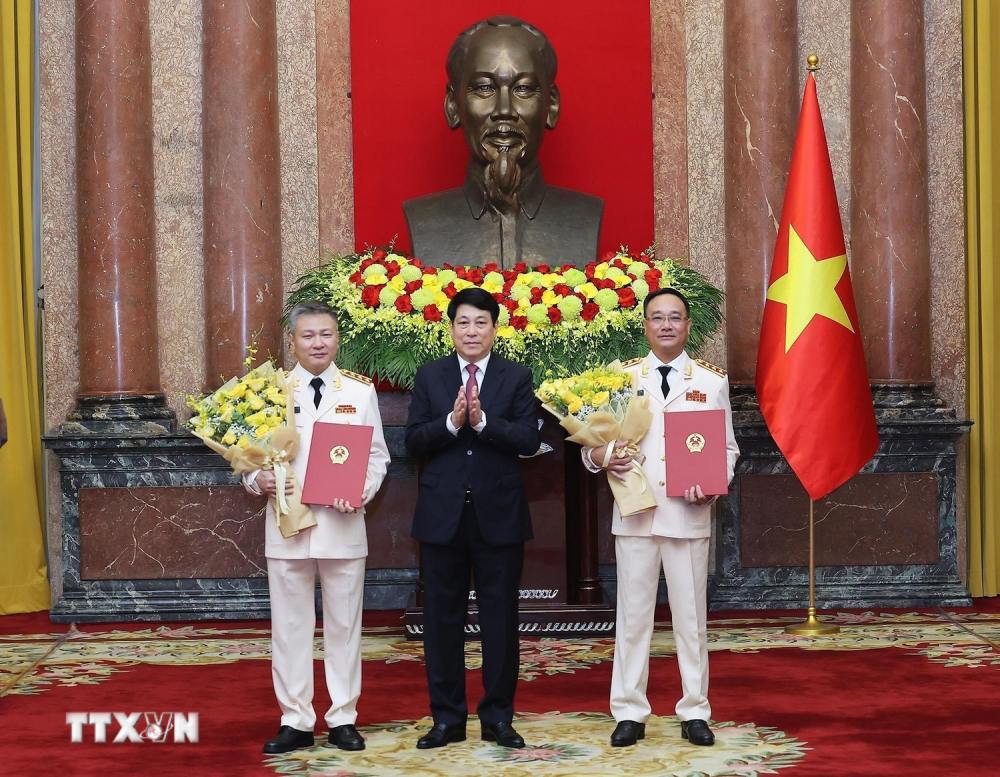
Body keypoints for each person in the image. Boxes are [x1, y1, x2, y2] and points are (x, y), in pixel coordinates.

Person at [582, 288, 739, 748]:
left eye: (675, 317)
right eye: (657, 318)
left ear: (689, 326)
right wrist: (601, 457)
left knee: (691, 620)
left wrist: (711, 485)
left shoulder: (710, 382)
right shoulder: (619, 378)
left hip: (687, 516)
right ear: (645, 326)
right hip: (635, 516)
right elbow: (592, 449)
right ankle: (629, 710)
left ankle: (695, 709)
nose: (666, 325)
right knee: (632, 619)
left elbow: (727, 449)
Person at [243, 301, 390, 754]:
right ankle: (296, 720)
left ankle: (343, 716)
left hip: (342, 526)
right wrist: (256, 480)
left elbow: (378, 457)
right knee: (289, 628)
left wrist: (362, 490)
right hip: (288, 528)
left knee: (345, 626)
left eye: (325, 334)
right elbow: (247, 460)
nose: (318, 343)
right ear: (292, 341)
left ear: (337, 339)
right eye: (308, 336)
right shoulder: (267, 394)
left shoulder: (361, 394)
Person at [405, 287, 541, 749]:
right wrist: (450, 423)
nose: (471, 331)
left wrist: (483, 424)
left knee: (500, 621)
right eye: (463, 322)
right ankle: (446, 719)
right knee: (441, 622)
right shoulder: (431, 376)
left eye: (481, 322)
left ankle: (498, 718)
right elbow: (413, 441)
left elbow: (527, 440)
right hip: (442, 516)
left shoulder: (515, 377)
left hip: (497, 516)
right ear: (451, 328)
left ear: (495, 328)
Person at [403, 15, 602, 268]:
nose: (504, 110)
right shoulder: (424, 219)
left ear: (551, 105)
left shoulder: (585, 215)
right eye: (484, 88)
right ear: (453, 106)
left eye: (524, 89)